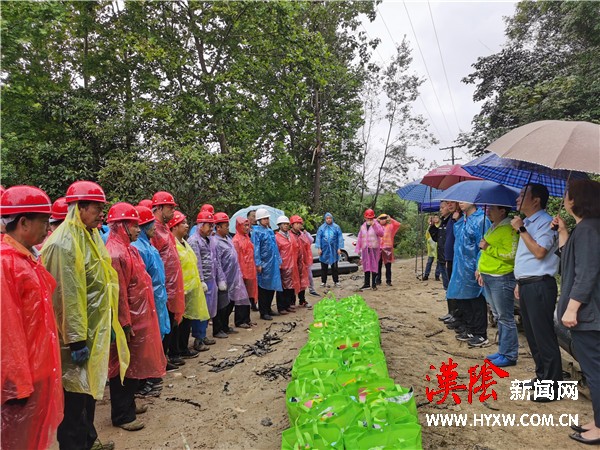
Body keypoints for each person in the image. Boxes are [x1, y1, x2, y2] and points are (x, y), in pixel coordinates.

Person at [42, 181, 129, 450]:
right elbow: (67, 296)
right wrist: (77, 339)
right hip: (74, 341)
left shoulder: (89, 235)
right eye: (97, 207)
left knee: (88, 395)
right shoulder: (64, 244)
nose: (102, 213)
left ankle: (89, 442)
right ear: (80, 208)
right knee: (73, 404)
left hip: (93, 333)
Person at [1, 186, 63, 450]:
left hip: (40, 370)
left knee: (37, 439)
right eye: (43, 222)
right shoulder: (6, 264)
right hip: (22, 382)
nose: (48, 229)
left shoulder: (27, 259)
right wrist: (16, 385)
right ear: (23, 222)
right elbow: (6, 331)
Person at [105, 203, 166, 432]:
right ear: (121, 226)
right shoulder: (115, 252)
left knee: (131, 366)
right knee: (122, 367)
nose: (138, 229)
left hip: (137, 318)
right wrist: (124, 323)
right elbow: (118, 293)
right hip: (128, 321)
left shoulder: (127, 248)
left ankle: (129, 404)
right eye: (133, 225)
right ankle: (122, 414)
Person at [553, 179, 600, 443]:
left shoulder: (590, 230)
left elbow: (586, 274)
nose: (564, 198)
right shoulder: (584, 229)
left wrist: (571, 309)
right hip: (589, 314)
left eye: (567, 194)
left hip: (589, 316)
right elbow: (570, 258)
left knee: (595, 371)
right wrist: (563, 231)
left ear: (577, 199)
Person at [511, 183, 561, 400]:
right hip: (528, 284)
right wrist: (519, 281)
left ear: (536, 200)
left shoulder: (546, 222)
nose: (517, 198)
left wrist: (521, 229)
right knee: (532, 335)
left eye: (523, 195)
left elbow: (540, 252)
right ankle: (542, 377)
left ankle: (553, 388)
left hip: (541, 284)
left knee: (544, 336)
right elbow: (525, 257)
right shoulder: (529, 222)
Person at [476, 205, 519, 367]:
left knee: (505, 317)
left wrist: (489, 248)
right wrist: (479, 268)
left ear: (502, 211)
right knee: (497, 314)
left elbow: (510, 254)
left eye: (492, 208)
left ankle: (509, 354)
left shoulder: (509, 228)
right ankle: (503, 350)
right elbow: (483, 251)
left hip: (501, 277)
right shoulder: (494, 227)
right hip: (489, 275)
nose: (488, 211)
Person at [150, 191, 186, 368]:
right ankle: (160, 360)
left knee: (170, 322)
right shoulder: (153, 230)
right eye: (170, 207)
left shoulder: (164, 229)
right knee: (162, 325)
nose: (172, 211)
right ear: (159, 208)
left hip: (172, 286)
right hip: (162, 287)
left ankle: (164, 358)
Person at [448, 202, 490, 348]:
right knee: (464, 298)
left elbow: (483, 246)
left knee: (476, 299)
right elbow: (459, 239)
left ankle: (481, 333)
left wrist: (479, 266)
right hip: (461, 266)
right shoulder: (464, 218)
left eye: (463, 199)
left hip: (473, 266)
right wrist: (457, 220)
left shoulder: (481, 220)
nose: (460, 202)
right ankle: (470, 329)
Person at [169, 211, 210, 357]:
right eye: (183, 223)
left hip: (190, 289)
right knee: (177, 323)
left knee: (187, 320)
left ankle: (184, 348)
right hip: (179, 290)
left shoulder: (184, 242)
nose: (187, 226)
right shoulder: (171, 245)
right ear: (174, 226)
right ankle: (176, 351)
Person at [212, 212, 252, 332]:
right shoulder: (215, 242)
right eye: (226, 226)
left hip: (233, 276)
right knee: (221, 305)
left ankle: (225, 326)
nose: (228, 228)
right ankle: (218, 329)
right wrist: (221, 279)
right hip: (223, 278)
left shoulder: (228, 238)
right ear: (218, 227)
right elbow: (217, 262)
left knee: (230, 304)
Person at [188, 210, 219, 346]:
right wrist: (201, 280)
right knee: (200, 310)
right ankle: (198, 338)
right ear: (201, 225)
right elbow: (197, 262)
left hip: (210, 278)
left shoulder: (209, 239)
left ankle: (203, 334)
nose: (211, 229)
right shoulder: (194, 241)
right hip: (203, 280)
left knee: (208, 309)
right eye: (209, 226)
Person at [251, 208, 283, 320]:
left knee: (271, 287)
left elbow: (275, 247)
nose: (266, 220)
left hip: (272, 263)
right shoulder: (256, 232)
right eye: (264, 218)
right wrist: (258, 263)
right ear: (259, 219)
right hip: (264, 263)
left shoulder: (270, 231)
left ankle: (269, 308)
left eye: (267, 218)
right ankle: (263, 311)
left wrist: (279, 260)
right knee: (263, 288)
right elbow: (256, 248)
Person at [232, 216, 259, 317]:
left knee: (248, 296)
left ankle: (246, 319)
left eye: (248, 225)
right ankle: (240, 320)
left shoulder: (247, 238)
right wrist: (240, 273)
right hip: (242, 273)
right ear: (239, 226)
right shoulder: (236, 240)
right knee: (241, 297)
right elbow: (236, 259)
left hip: (250, 272)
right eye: (245, 225)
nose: (247, 228)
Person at [275, 215, 301, 314]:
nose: (286, 226)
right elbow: (276, 252)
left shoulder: (290, 236)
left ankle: (288, 305)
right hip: (283, 265)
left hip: (292, 264)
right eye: (283, 224)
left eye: (287, 224)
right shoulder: (277, 237)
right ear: (279, 225)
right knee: (282, 287)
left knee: (290, 286)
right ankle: (281, 307)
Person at [356, 209, 384, 291]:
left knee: (374, 265)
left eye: (371, 218)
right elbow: (360, 237)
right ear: (365, 218)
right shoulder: (363, 226)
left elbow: (381, 233)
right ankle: (366, 283)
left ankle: (374, 284)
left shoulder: (377, 224)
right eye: (368, 218)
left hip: (374, 249)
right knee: (366, 265)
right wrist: (359, 248)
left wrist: (374, 225)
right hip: (365, 249)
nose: (369, 220)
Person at [315, 212, 344, 288]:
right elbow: (318, 238)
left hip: (334, 250)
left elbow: (340, 238)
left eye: (330, 218)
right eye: (327, 218)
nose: (328, 220)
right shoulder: (321, 228)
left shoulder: (336, 227)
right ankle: (323, 282)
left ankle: (336, 281)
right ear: (325, 219)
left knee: (334, 267)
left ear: (332, 219)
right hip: (324, 250)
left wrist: (339, 248)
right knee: (324, 267)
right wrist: (319, 248)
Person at [290, 215, 313, 308]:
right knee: (292, 281)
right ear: (292, 224)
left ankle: (302, 300)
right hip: (293, 262)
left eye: (300, 223)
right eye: (297, 223)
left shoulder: (302, 234)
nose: (299, 225)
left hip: (302, 261)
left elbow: (308, 245)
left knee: (302, 280)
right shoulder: (289, 235)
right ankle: (292, 301)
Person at [376, 213, 401, 286]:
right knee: (378, 265)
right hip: (378, 248)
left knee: (388, 265)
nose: (383, 220)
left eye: (384, 218)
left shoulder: (390, 226)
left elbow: (398, 224)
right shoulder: (377, 227)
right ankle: (378, 280)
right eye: (381, 219)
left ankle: (388, 281)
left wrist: (390, 219)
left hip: (387, 248)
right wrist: (377, 219)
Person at [423, 214, 441, 281]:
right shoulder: (430, 226)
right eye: (434, 217)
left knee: (439, 261)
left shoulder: (440, 226)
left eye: (437, 217)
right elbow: (427, 234)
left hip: (438, 245)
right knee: (429, 261)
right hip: (431, 246)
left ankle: (437, 275)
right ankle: (426, 275)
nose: (435, 219)